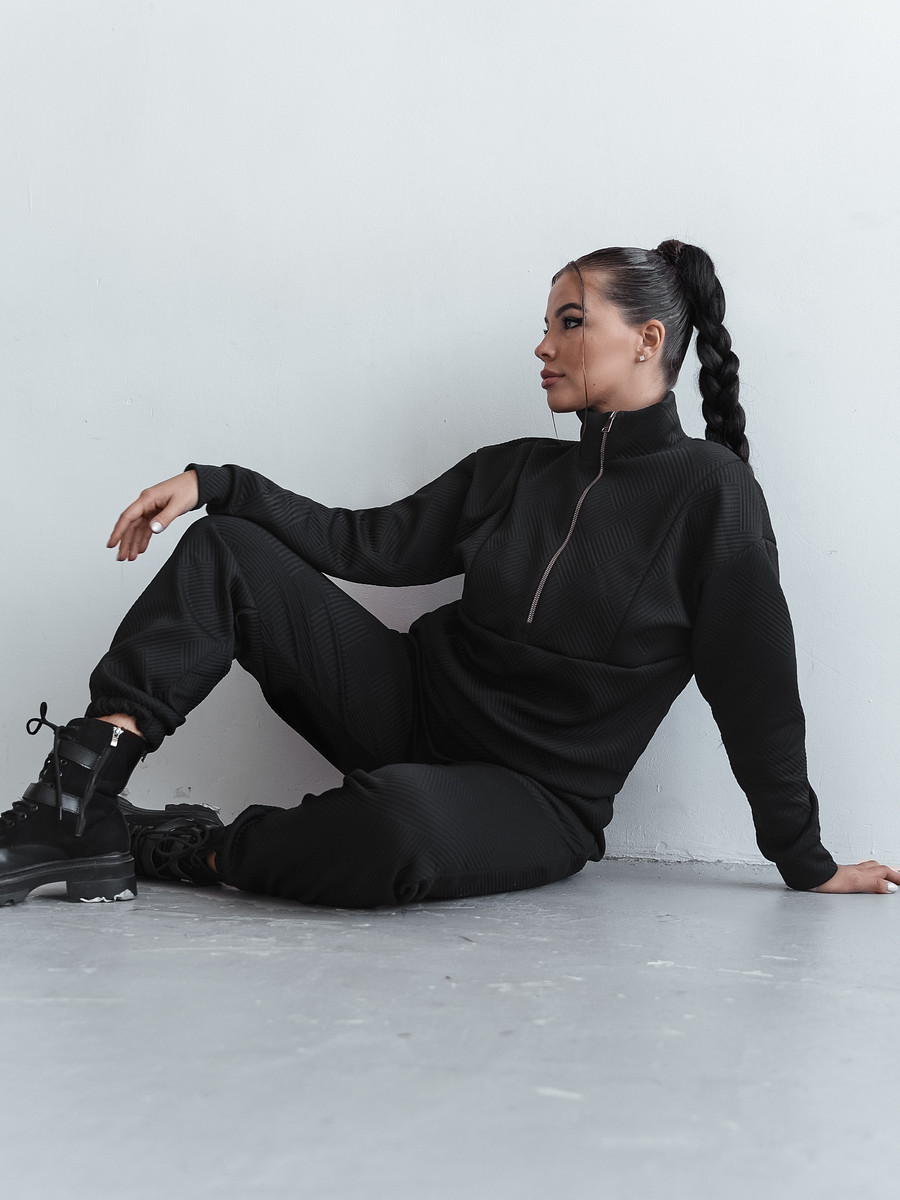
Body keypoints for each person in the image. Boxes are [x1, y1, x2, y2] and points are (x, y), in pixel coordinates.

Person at [3, 240, 897, 908]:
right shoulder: (517, 470)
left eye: (570, 322)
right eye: (545, 324)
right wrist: (219, 485)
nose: (543, 345)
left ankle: (183, 846)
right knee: (228, 547)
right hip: (407, 708)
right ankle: (74, 803)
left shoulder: (713, 494)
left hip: (534, 797)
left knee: (394, 827)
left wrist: (804, 859)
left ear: (646, 339)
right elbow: (363, 544)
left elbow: (757, 692)